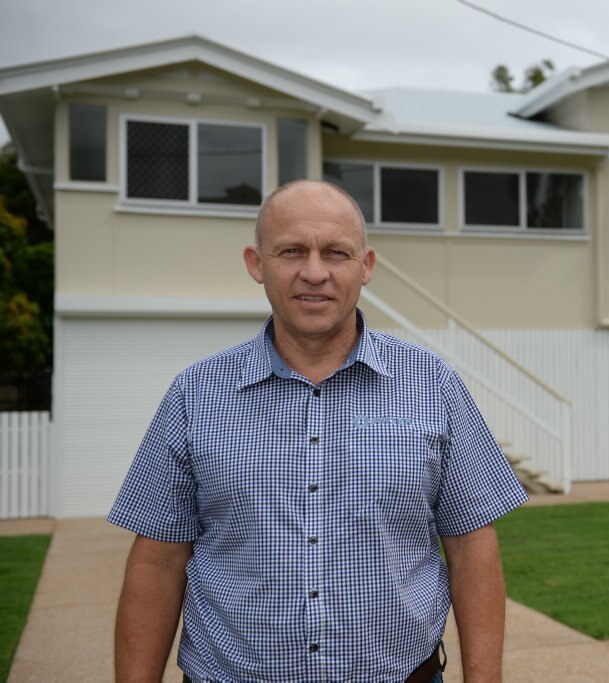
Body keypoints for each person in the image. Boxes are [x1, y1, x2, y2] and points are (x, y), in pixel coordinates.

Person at [108, 179, 529, 682]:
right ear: (256, 263)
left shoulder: (432, 385)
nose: (314, 272)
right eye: (291, 251)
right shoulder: (194, 394)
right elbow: (157, 560)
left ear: (366, 266)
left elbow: (471, 547)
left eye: (336, 253)